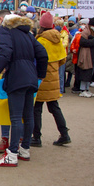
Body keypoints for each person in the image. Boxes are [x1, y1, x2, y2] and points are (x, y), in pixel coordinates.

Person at [0, 14, 47, 167]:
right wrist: (40, 75)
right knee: (28, 115)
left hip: (17, 76)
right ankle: (24, 149)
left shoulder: (5, 31)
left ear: (3, 21)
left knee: (15, 117)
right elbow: (42, 54)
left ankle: (12, 153)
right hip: (31, 76)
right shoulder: (27, 33)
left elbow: (6, 52)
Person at [33, 13, 71, 148]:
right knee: (54, 107)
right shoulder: (58, 39)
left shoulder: (40, 41)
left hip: (41, 78)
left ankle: (36, 137)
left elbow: (35, 60)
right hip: (54, 78)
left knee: (36, 108)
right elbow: (62, 59)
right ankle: (64, 133)